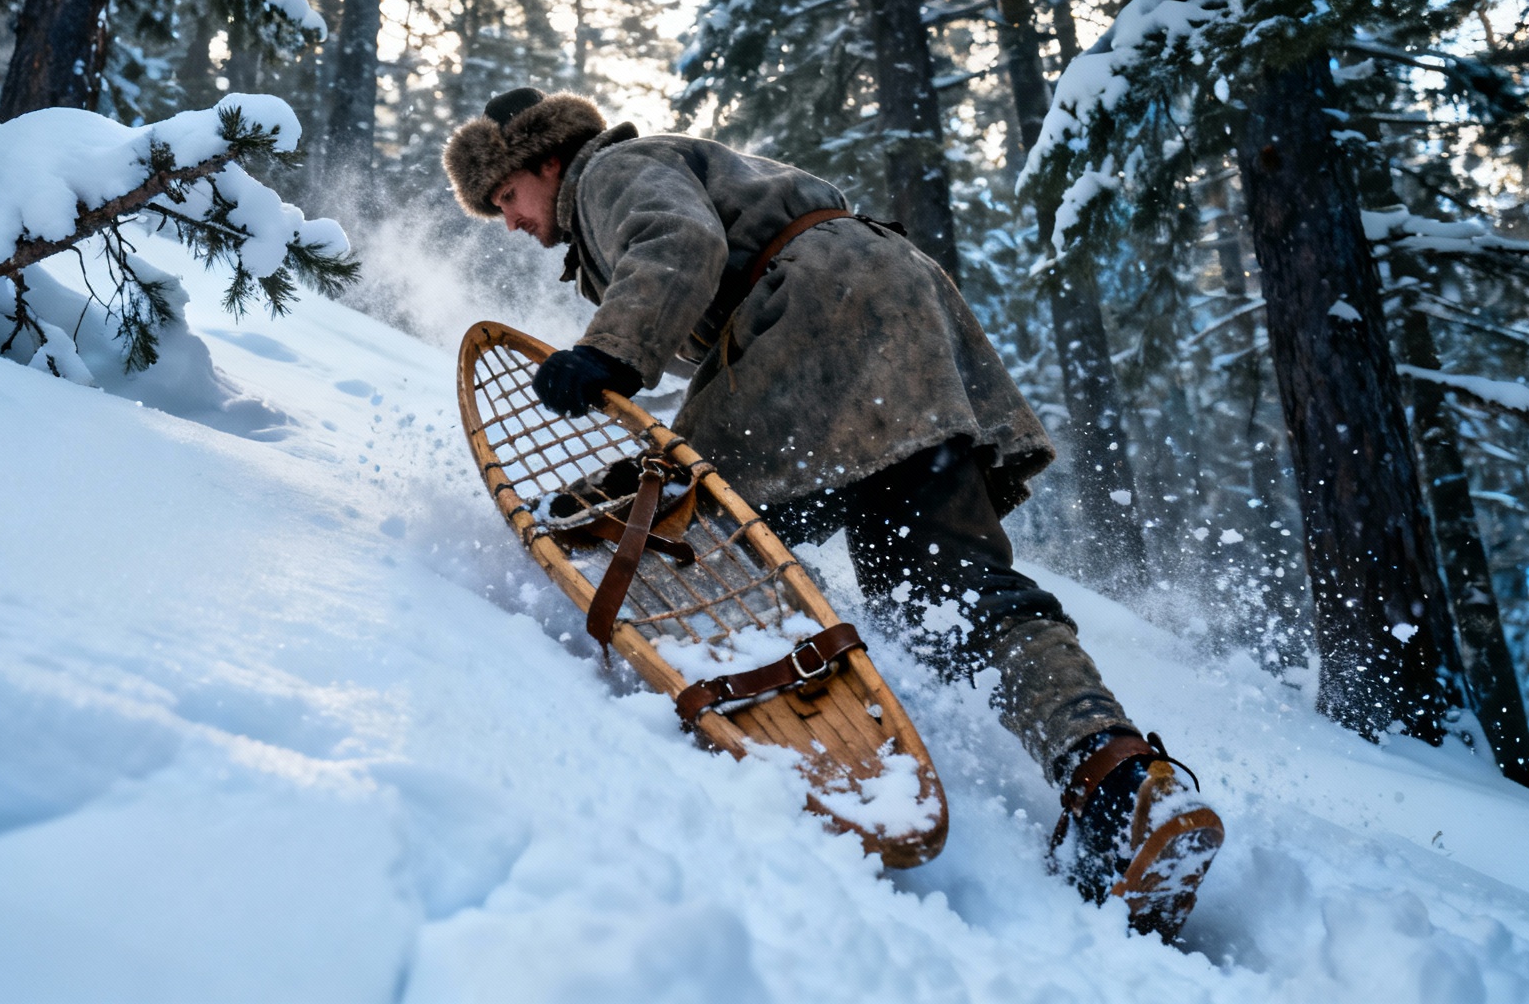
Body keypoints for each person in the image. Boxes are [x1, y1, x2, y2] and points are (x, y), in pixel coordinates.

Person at [444, 87, 1223, 938]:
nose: (509, 222)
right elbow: (704, 274)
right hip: (898, 319)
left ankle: (734, 654)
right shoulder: (659, 172)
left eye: (506, 200)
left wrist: (606, 351)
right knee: (944, 591)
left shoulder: (609, 171)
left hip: (819, 311)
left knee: (680, 511)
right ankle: (1119, 783)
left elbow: (680, 242)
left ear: (544, 162)